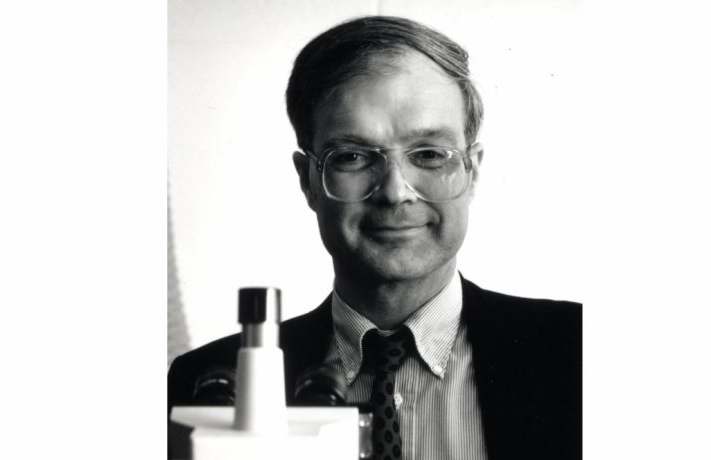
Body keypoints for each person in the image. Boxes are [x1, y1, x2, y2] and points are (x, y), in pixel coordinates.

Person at [168, 16, 581, 460]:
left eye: (428, 154)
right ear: (308, 179)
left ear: (472, 171)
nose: (395, 191)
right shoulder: (199, 385)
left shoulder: (582, 352)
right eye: (352, 156)